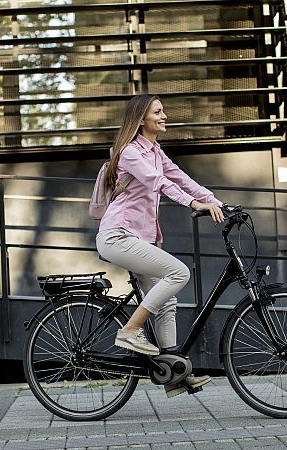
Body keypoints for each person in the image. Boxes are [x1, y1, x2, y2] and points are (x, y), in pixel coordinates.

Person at [96, 94, 225, 397]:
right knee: (178, 273)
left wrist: (219, 204)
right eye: (158, 111)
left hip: (139, 240)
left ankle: (173, 372)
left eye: (163, 111)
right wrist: (192, 203)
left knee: (167, 301)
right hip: (118, 236)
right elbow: (159, 182)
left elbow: (182, 178)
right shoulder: (130, 152)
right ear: (141, 119)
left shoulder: (155, 151)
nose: (164, 115)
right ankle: (129, 330)